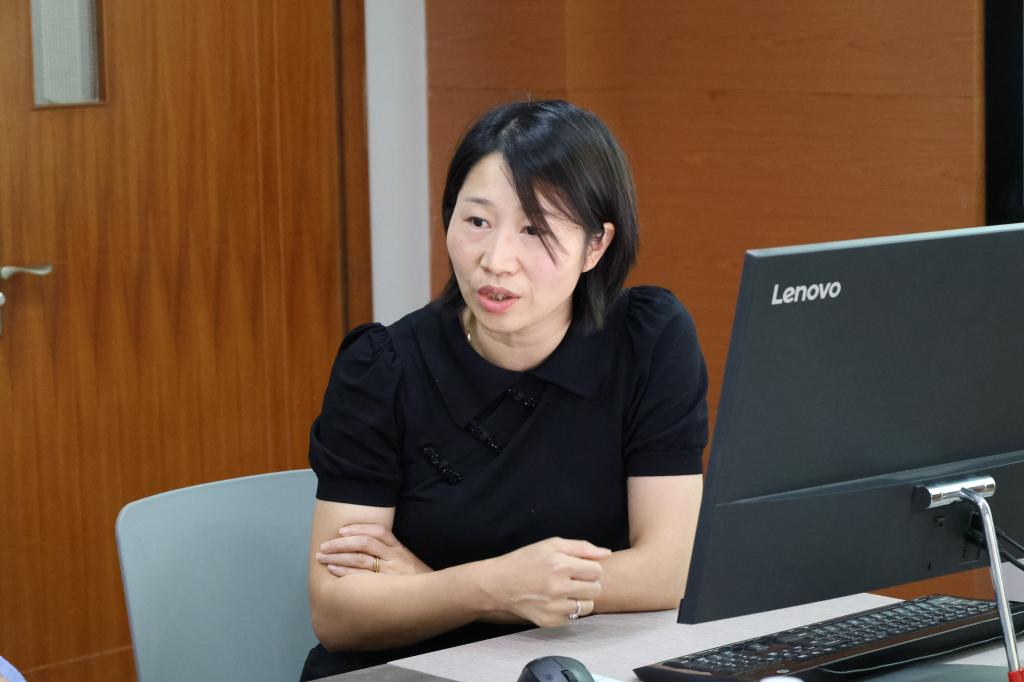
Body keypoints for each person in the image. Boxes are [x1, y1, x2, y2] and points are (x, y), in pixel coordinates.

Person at [301, 100, 708, 680]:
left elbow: (670, 570)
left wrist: (437, 588)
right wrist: (490, 586)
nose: (496, 261)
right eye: (476, 222)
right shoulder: (380, 369)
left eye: (535, 230)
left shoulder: (648, 342)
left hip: (576, 663)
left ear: (595, 246)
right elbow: (338, 613)